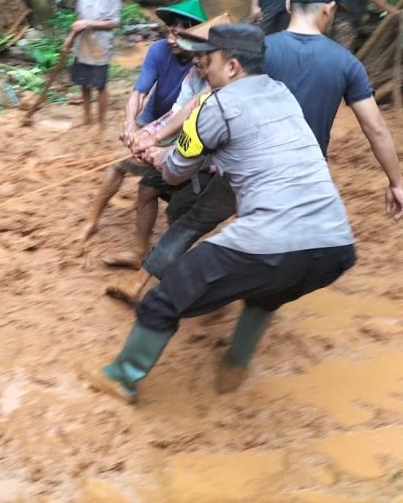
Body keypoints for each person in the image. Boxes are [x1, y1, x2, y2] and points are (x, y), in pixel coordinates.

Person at [81, 23, 361, 404]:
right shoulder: (282, 93)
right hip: (335, 245)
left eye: (207, 60)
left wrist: (157, 156)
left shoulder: (216, 105)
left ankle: (121, 377)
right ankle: (234, 368)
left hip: (270, 238)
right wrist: (167, 152)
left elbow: (174, 172)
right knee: (267, 294)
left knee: (164, 299)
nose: (200, 65)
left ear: (231, 66)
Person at [109, 0, 403, 306]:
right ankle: (239, 319)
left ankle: (142, 281)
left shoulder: (259, 50)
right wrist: (395, 182)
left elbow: (203, 100)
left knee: (194, 222)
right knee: (276, 251)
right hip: (304, 178)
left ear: (288, 5)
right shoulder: (347, 63)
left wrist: (154, 135)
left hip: (245, 164)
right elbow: (375, 128)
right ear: (330, 9)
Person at [80, 0, 207, 265]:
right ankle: (92, 219)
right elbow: (139, 92)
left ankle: (149, 248)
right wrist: (130, 125)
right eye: (169, 31)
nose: (171, 39)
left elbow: (190, 112)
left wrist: (155, 140)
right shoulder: (158, 51)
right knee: (119, 163)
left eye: (178, 34)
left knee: (152, 186)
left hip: (185, 128)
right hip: (155, 120)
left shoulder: (204, 63)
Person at [71, 0, 123, 128]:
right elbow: (80, 15)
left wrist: (89, 24)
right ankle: (87, 117)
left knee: (100, 85)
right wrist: (72, 34)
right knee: (83, 82)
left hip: (100, 45)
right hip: (83, 43)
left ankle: (101, 123)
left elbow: (114, 22)